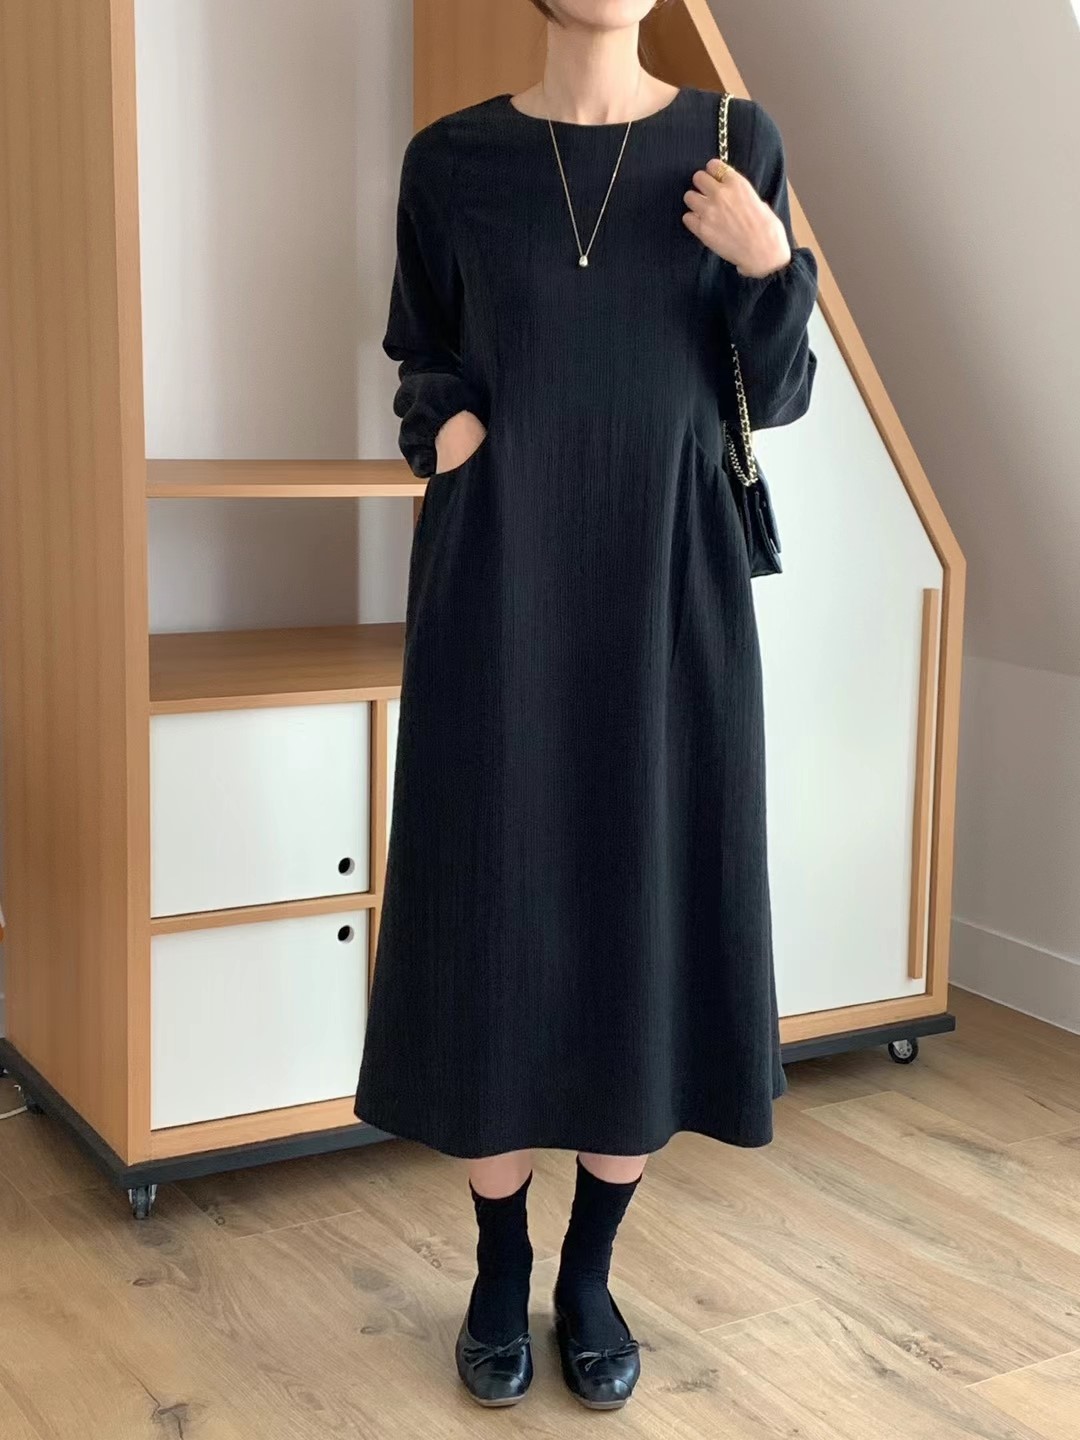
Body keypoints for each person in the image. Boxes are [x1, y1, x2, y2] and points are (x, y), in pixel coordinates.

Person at [354, 0, 818, 1411]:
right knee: (490, 906)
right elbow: (420, 351)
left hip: (667, 584)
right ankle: (500, 1263)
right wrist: (448, 426)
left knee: (646, 908)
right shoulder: (452, 160)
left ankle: (591, 1271)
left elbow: (776, 395)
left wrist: (772, 262)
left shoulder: (734, 142)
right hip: (498, 580)